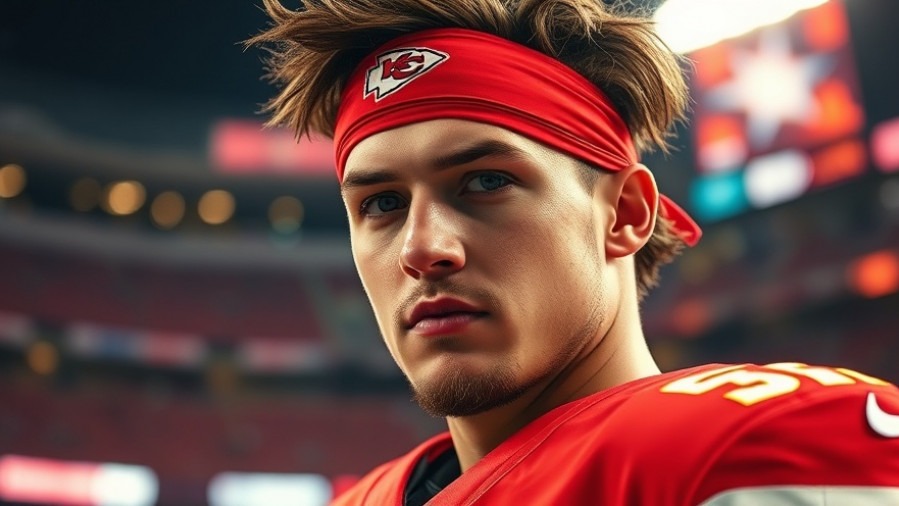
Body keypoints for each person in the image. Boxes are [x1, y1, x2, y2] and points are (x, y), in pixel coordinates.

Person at [250, 1, 899, 504]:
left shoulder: (762, 448)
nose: (422, 248)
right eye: (382, 203)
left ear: (625, 214)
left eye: (485, 182)